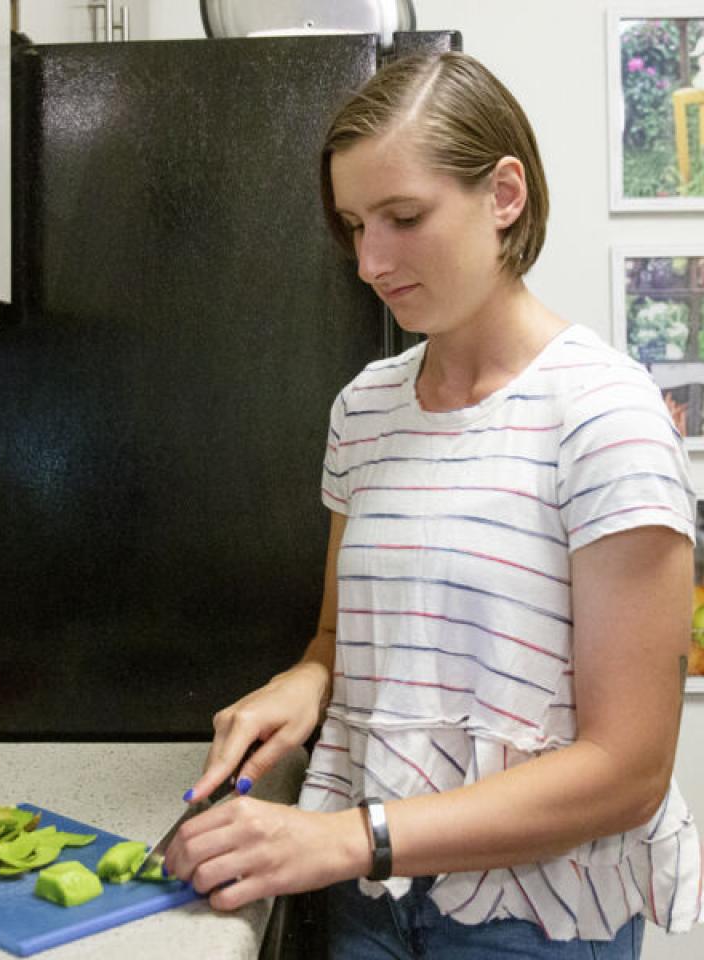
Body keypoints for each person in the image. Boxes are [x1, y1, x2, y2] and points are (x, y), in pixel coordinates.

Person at [163, 52, 702, 958]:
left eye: (404, 218)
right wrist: (302, 684)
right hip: (367, 900)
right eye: (353, 224)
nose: (370, 261)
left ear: (504, 194)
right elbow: (343, 641)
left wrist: (345, 834)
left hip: (534, 916)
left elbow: (630, 771)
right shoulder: (365, 408)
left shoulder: (607, 414)